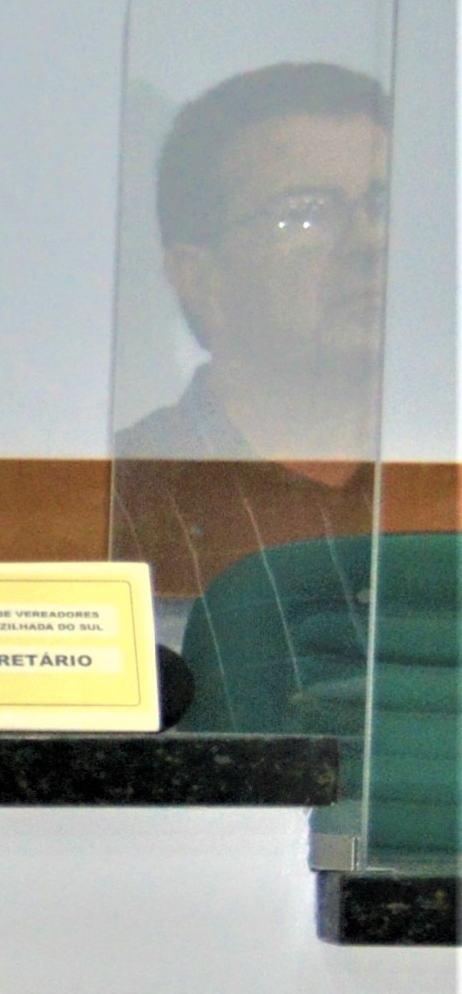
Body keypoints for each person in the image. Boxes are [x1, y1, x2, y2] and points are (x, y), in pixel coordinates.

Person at [115, 62, 392, 595]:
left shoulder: (433, 476)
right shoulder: (121, 498)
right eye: (306, 213)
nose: (370, 242)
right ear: (201, 279)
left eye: (381, 206)